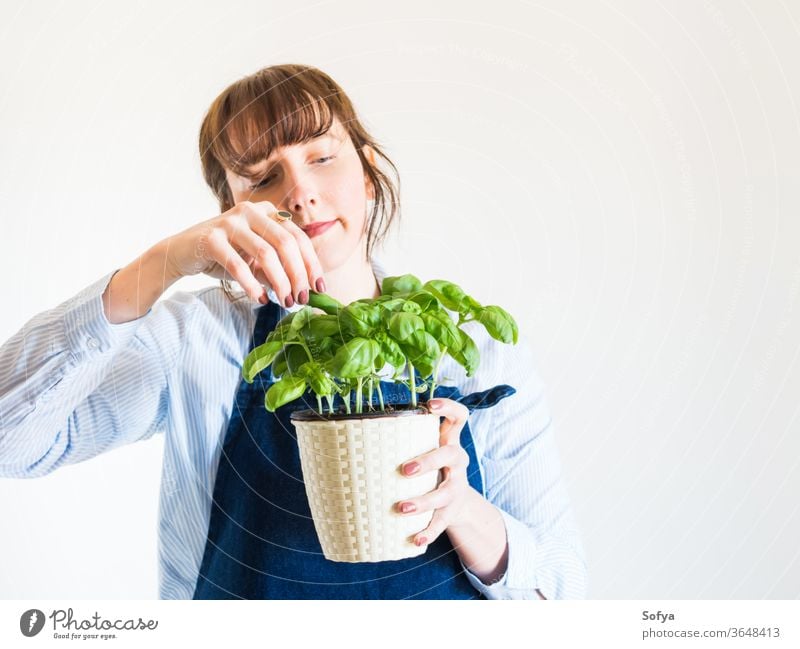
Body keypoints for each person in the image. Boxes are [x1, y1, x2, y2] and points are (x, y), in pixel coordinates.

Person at [0, 63, 587, 599]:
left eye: (323, 157)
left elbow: (562, 597)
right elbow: (13, 444)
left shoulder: (478, 349)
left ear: (371, 174)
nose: (299, 190)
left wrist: (465, 512)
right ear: (229, 210)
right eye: (261, 177)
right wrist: (159, 265)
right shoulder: (196, 338)